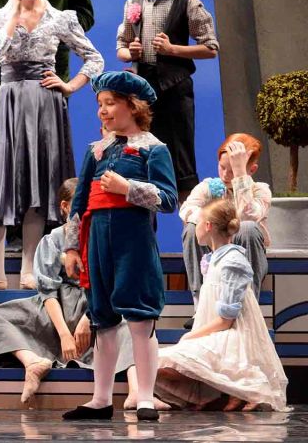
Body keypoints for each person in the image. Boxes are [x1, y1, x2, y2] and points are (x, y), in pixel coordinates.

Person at [0, 0, 104, 291]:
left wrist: (70, 85)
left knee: (38, 181)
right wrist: (14, 13)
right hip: (9, 100)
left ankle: (29, 268)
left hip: (44, 101)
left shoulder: (60, 17)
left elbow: (94, 59)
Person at [62, 71, 177, 422]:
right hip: (98, 241)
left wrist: (128, 188)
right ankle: (101, 398)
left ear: (133, 106)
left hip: (133, 242)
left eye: (110, 103)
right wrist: (71, 248)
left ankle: (145, 397)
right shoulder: (96, 150)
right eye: (100, 104)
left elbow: (168, 199)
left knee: (140, 319)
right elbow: (79, 202)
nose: (102, 110)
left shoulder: (153, 148)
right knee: (102, 319)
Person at [0, 178, 134, 405]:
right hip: (55, 310)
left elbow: (112, 282)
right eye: (81, 205)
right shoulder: (52, 240)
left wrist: (90, 317)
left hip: (96, 306)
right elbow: (48, 290)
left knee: (131, 324)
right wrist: (64, 334)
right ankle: (33, 362)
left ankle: (137, 390)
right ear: (65, 207)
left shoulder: (104, 237)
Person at [128, 199, 288, 412]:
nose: (193, 229)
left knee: (150, 364)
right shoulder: (215, 259)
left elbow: (226, 320)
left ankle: (244, 389)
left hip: (230, 337)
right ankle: (141, 395)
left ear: (208, 226)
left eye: (198, 222)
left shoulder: (232, 262)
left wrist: (192, 336)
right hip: (216, 334)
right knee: (140, 366)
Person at [116, 0, 219, 203]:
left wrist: (173, 49)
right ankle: (144, 223)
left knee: (181, 162)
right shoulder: (134, 2)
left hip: (174, 89)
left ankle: (191, 222)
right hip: (142, 92)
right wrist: (130, 53)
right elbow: (121, 46)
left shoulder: (188, 1)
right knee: (140, 160)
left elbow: (210, 48)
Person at [180, 133, 270, 329]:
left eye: (233, 169)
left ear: (251, 170)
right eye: (222, 167)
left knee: (247, 228)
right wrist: (212, 219)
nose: (226, 175)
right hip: (213, 255)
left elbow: (248, 216)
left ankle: (247, 307)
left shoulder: (260, 190)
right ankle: (201, 307)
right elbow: (187, 209)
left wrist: (240, 176)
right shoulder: (210, 187)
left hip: (243, 257)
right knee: (193, 228)